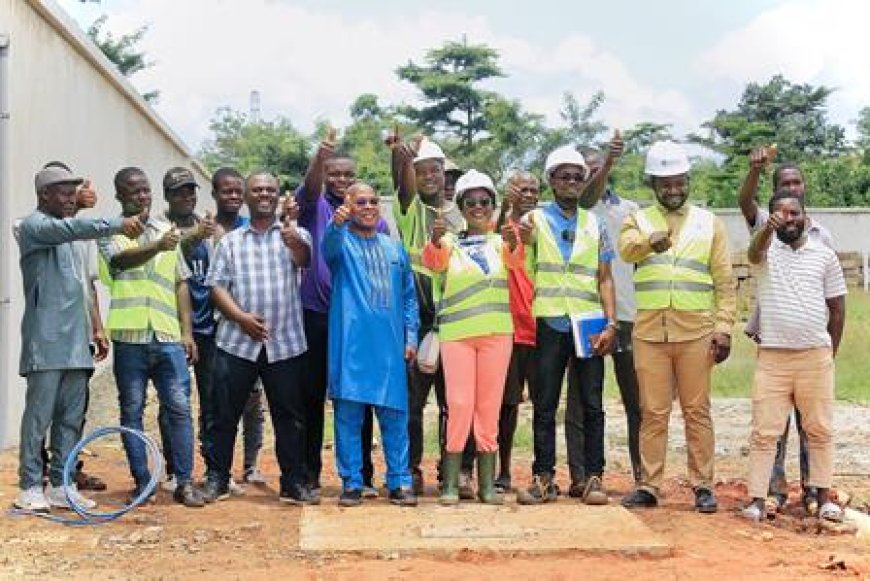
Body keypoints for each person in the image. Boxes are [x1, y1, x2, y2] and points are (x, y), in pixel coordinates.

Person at [14, 165, 143, 512]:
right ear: (44, 196)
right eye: (63, 192)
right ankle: (28, 486)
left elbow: (84, 285)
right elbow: (69, 227)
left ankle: (61, 484)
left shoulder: (69, 237)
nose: (71, 198)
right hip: (46, 342)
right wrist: (116, 223)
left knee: (71, 419)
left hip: (76, 344)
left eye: (74, 192)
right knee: (38, 417)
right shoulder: (33, 227)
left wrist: (95, 328)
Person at [619, 141, 736, 513]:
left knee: (696, 410)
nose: (673, 189)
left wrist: (724, 327)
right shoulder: (638, 219)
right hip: (650, 332)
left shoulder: (709, 222)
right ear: (653, 184)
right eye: (665, 183)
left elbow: (725, 280)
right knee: (652, 411)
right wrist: (647, 243)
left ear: (688, 180)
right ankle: (649, 485)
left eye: (679, 182)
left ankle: (702, 485)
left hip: (696, 331)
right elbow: (626, 249)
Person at [203, 171, 314, 505]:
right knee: (223, 415)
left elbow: (304, 259)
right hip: (237, 342)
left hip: (286, 343)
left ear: (278, 196)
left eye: (270, 190)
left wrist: (294, 241)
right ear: (247, 198)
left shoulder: (296, 234)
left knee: (290, 417)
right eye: (257, 190)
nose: (264, 194)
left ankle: (293, 483)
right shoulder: (231, 242)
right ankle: (217, 480)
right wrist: (240, 318)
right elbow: (216, 286)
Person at [516, 144, 618, 506]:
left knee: (591, 404)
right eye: (564, 177)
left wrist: (611, 323)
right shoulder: (535, 221)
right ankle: (544, 478)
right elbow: (516, 247)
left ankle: (592, 478)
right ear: (552, 181)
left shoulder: (596, 224)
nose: (571, 182)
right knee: (544, 405)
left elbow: (605, 278)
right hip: (548, 320)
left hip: (589, 321)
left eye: (578, 177)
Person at [98, 167, 205, 508]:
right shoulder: (111, 232)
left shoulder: (166, 231)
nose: (141, 196)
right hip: (130, 338)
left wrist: (187, 331)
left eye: (145, 191)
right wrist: (158, 246)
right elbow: (120, 262)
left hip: (167, 335)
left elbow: (180, 282)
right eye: (133, 191)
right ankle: (143, 483)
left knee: (179, 409)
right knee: (132, 410)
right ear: (119, 195)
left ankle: (185, 482)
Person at [741, 191, 846, 523]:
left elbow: (838, 307)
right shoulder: (765, 254)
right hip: (773, 357)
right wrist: (764, 230)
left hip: (814, 356)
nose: (788, 218)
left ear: (805, 217)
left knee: (819, 429)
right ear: (771, 219)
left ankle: (824, 496)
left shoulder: (825, 256)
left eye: (794, 213)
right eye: (779, 213)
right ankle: (758, 499)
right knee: (764, 431)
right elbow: (753, 249)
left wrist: (831, 350)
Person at [296, 128, 389, 500]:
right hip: (317, 315)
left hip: (359, 322)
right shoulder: (315, 206)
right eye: (334, 173)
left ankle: (363, 475)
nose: (340, 180)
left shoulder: (371, 217)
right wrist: (321, 154)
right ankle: (309, 475)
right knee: (312, 397)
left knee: (359, 397)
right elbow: (311, 185)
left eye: (347, 175)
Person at [422, 170, 522, 505]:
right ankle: (450, 482)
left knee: (488, 407)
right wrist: (435, 240)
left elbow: (516, 260)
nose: (478, 207)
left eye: (484, 202)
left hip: (496, 336)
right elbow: (433, 263)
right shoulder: (448, 243)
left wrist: (512, 239)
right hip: (457, 337)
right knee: (460, 405)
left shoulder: (501, 241)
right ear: (461, 207)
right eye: (471, 202)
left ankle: (486, 485)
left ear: (493, 205)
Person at [324, 182, 419, 507]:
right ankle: (351, 482)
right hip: (351, 349)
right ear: (347, 205)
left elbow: (408, 297)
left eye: (373, 201)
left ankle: (400, 482)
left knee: (395, 418)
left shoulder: (395, 249)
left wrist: (411, 336)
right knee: (348, 419)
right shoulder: (341, 243)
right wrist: (336, 224)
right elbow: (329, 247)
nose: (368, 206)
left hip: (390, 350)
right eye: (360, 201)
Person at [391, 134, 474, 495]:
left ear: (445, 174)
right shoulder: (409, 209)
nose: (428, 176)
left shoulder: (464, 215)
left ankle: (456, 471)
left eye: (434, 170)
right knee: (412, 404)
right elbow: (402, 181)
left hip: (455, 320)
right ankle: (409, 470)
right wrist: (400, 155)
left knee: (455, 403)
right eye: (420, 170)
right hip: (417, 319)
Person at [584, 147, 642, 485]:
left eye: (597, 168)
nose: (593, 175)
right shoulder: (576, 211)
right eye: (586, 170)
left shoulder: (629, 210)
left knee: (636, 402)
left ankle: (642, 475)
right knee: (586, 401)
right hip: (589, 314)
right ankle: (587, 473)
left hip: (627, 314)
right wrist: (607, 161)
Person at [492, 171, 540, 493]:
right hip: (508, 327)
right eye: (522, 189)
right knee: (507, 404)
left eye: (534, 190)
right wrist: (505, 209)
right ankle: (503, 470)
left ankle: (542, 472)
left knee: (543, 404)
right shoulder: (500, 226)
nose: (528, 194)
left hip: (541, 325)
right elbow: (494, 240)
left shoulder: (545, 225)